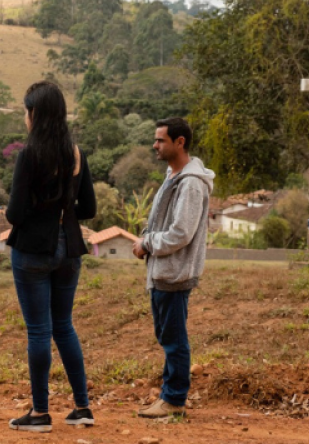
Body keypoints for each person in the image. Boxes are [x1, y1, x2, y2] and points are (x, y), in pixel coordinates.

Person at [4, 81, 97, 432]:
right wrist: (62, 211)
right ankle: (82, 408)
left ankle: (40, 413)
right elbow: (87, 207)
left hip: (33, 250)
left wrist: (36, 212)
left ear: (36, 114)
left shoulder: (29, 155)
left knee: (39, 331)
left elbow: (14, 213)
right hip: (69, 249)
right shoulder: (76, 154)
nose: (25, 116)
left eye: (27, 110)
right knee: (64, 327)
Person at [132, 117, 215, 419]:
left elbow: (181, 232)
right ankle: (168, 396)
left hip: (174, 272)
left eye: (160, 140)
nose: (155, 145)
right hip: (163, 272)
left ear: (179, 142)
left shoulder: (191, 183)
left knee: (174, 339)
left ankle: (175, 400)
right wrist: (147, 240)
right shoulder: (173, 176)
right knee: (168, 336)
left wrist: (148, 244)